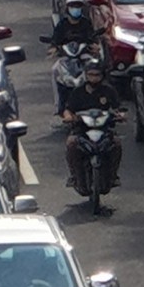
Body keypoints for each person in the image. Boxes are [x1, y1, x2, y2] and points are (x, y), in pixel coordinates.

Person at [61, 59, 125, 194]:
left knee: (116, 144)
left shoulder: (109, 91)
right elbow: (68, 109)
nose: (94, 78)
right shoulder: (78, 92)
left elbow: (118, 108)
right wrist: (68, 117)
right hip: (82, 130)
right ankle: (75, 177)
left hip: (104, 130)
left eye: (97, 74)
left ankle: (112, 177)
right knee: (71, 144)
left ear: (102, 75)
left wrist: (120, 115)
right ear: (86, 75)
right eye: (91, 74)